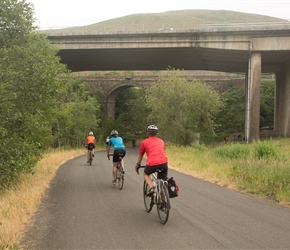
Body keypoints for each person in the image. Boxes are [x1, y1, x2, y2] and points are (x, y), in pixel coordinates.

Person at [135, 125, 168, 196]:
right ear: (156, 133)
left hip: (152, 163)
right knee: (162, 181)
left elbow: (140, 155)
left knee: (146, 174)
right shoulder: (161, 141)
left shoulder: (144, 142)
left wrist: (138, 164)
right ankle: (164, 202)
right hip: (163, 162)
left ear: (148, 133)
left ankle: (151, 188)